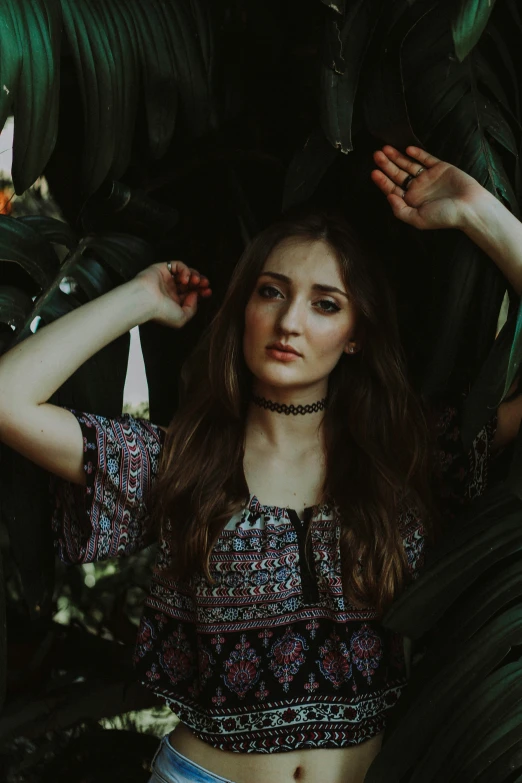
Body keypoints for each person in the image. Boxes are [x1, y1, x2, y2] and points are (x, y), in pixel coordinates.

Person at [0, 144, 520, 783]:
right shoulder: (178, 462)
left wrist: (482, 216)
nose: (290, 322)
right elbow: (6, 400)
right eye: (271, 292)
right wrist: (139, 299)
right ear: (244, 308)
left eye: (325, 303)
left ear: (356, 332)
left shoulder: (405, 456)